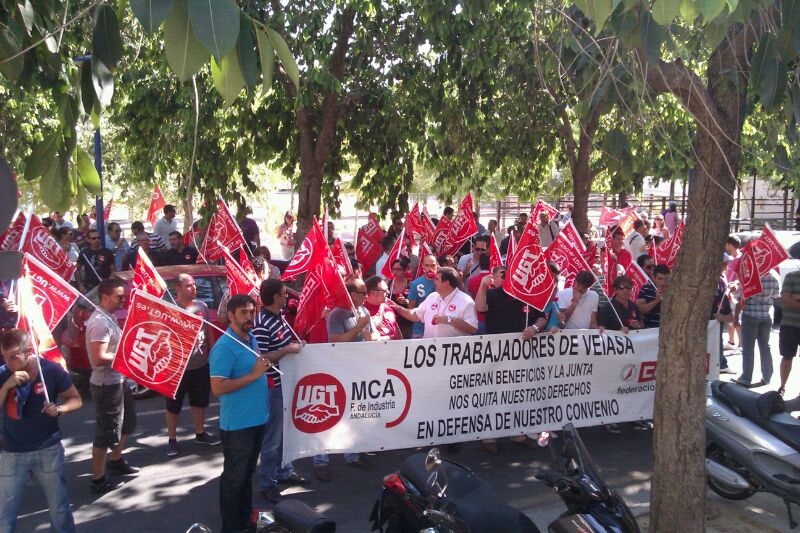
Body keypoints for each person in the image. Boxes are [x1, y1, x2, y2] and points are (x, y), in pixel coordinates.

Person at [0, 329, 82, 533]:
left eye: (13, 357)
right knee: (5, 510)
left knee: (59, 507)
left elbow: (76, 399)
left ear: (28, 351)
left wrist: (60, 409)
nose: (8, 362)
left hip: (47, 448)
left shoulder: (50, 370)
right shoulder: (3, 374)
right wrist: (6, 386)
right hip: (12, 451)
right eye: (4, 357)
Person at [209, 294, 269, 533]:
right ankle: (231, 527)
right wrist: (253, 375)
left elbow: (257, 367)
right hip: (237, 425)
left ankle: (245, 519)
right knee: (234, 479)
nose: (249, 317)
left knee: (246, 474)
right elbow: (217, 387)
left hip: (256, 420)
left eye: (251, 312)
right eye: (243, 312)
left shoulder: (250, 338)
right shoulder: (224, 346)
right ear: (230, 315)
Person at [314, 279, 376, 481]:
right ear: (351, 293)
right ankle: (320, 460)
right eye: (362, 292)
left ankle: (352, 454)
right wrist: (358, 327)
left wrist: (370, 335)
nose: (366, 296)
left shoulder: (364, 312)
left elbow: (369, 336)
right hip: (337, 370)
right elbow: (336, 340)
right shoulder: (336, 314)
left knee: (354, 413)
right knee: (328, 413)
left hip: (357, 370)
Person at [252, 279, 307, 502]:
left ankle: (283, 470)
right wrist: (287, 349)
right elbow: (263, 359)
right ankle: (267, 481)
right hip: (272, 386)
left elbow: (283, 346)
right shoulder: (262, 324)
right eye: (284, 293)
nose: (287, 297)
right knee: (273, 436)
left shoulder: (279, 319)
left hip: (285, 382)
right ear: (275, 297)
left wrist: (294, 345)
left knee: (284, 431)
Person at [86, 279, 139, 493]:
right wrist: (125, 355)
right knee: (105, 432)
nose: (123, 299)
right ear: (105, 297)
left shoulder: (108, 317)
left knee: (127, 423)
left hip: (119, 380)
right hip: (106, 385)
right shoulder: (99, 321)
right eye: (119, 296)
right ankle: (98, 479)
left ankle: (115, 460)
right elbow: (98, 358)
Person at [165, 274, 220, 456]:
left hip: (200, 364)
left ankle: (200, 432)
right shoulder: (170, 308)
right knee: (173, 405)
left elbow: (208, 332)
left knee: (199, 401)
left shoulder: (202, 307)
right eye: (189, 286)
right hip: (177, 367)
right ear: (178, 288)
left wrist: (211, 353)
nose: (194, 288)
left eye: (194, 285)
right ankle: (172, 439)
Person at [392, 267, 478, 338]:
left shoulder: (466, 301)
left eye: (437, 279)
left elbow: (472, 328)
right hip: (430, 352)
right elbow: (415, 315)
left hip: (452, 354)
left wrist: (449, 319)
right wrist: (397, 307)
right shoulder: (432, 296)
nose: (434, 281)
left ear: (446, 283)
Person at [735, 271, 780, 388]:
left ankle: (746, 377)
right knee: (765, 347)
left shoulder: (749, 278)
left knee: (748, 348)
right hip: (766, 316)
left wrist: (735, 317)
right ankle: (767, 376)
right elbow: (776, 295)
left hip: (750, 315)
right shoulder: (773, 278)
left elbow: (740, 299)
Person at [408, 255, 438, 338]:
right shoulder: (416, 284)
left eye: (433, 265)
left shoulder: (444, 281)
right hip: (420, 329)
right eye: (427, 265)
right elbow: (411, 308)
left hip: (439, 329)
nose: (430, 268)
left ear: (437, 265)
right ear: (423, 266)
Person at [364, 275, 402, 340]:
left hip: (395, 347)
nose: (388, 292)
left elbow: (395, 325)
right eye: (385, 291)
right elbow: (366, 337)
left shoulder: (388, 303)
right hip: (378, 348)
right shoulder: (362, 310)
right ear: (373, 292)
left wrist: (401, 342)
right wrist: (388, 338)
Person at [636, 262, 669, 328]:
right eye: (660, 279)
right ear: (654, 278)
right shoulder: (646, 289)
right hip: (650, 331)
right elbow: (640, 310)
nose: (663, 282)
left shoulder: (674, 290)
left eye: (666, 279)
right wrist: (656, 300)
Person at [388, 258, 412, 339]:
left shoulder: (411, 285)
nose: (395, 272)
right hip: (391, 323)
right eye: (393, 269)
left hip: (406, 324)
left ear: (404, 270)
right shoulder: (388, 284)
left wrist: (406, 302)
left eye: (399, 269)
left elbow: (416, 305)